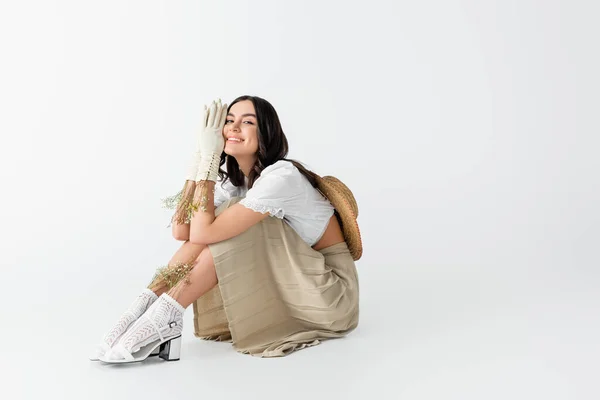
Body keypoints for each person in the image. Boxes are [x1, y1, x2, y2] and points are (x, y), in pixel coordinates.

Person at [90, 95, 362, 363]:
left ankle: (167, 315)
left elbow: (203, 234)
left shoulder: (282, 177)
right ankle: (145, 306)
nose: (233, 127)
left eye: (247, 122)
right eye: (229, 120)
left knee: (234, 221)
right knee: (220, 216)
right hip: (296, 281)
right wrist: (198, 162)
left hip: (330, 294)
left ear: (266, 132)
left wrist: (209, 160)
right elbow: (182, 230)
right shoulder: (238, 182)